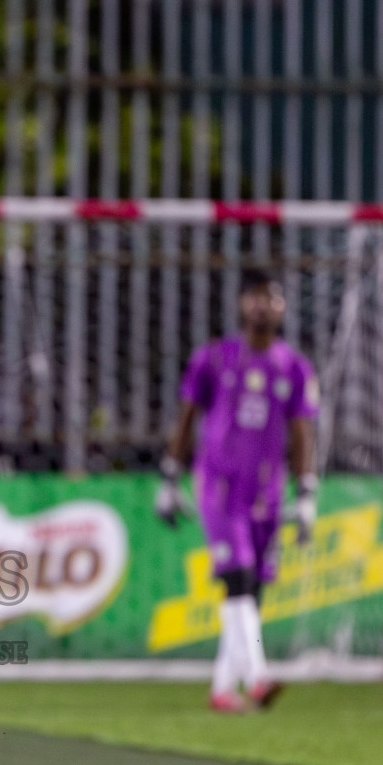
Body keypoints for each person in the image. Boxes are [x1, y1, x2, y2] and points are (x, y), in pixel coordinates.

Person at [157, 269, 319, 714]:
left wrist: (306, 493)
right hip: (220, 482)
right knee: (238, 579)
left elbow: (302, 432)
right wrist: (170, 476)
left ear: (283, 307)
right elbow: (186, 416)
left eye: (271, 297)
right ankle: (259, 679)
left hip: (268, 490)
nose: (262, 305)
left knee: (251, 591)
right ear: (241, 305)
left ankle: (222, 690)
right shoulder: (214, 358)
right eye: (254, 297)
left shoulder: (294, 367)